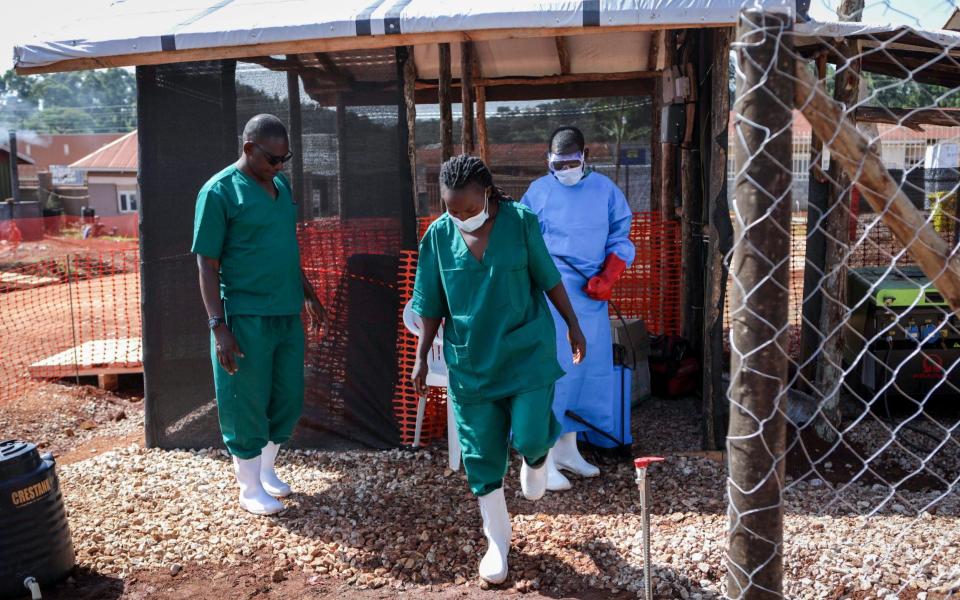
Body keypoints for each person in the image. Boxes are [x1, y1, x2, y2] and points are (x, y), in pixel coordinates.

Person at [411, 155, 586, 584]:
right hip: (471, 363)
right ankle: (498, 542)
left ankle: (538, 454)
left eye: (468, 209)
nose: (460, 217)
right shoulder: (436, 237)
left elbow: (547, 277)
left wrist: (573, 324)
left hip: (526, 351)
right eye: (451, 209)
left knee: (528, 434)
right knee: (481, 456)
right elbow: (430, 303)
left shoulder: (520, 221)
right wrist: (419, 358)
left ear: (486, 193)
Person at [192, 114, 326, 516]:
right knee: (245, 399)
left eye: (286, 158)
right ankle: (248, 487)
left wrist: (308, 294)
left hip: (285, 311)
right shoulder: (218, 192)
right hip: (245, 314)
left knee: (287, 395)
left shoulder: (280, 187)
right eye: (273, 159)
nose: (280, 166)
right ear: (249, 149)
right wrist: (219, 327)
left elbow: (284, 249)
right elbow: (206, 265)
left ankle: (266, 471)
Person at [521, 126, 635, 492]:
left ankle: (569, 448)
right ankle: (545, 458)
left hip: (591, 293)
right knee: (555, 371)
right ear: (547, 160)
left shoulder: (605, 191)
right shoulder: (538, 192)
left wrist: (611, 272)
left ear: (585, 155)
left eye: (572, 162)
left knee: (588, 370)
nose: (565, 169)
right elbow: (523, 239)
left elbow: (621, 233)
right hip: (552, 292)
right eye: (558, 164)